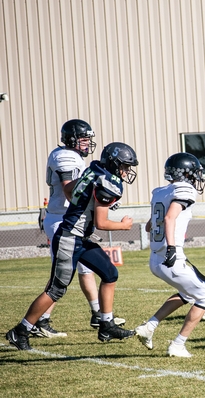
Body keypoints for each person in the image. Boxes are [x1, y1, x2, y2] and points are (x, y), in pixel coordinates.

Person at [5, 142, 139, 350]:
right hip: (70, 238)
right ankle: (20, 330)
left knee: (110, 274)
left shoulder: (94, 170)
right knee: (56, 290)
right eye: (124, 166)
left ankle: (106, 324)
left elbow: (70, 191)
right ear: (114, 164)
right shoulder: (108, 182)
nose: (126, 171)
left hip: (80, 238)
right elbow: (101, 223)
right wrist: (123, 225)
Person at [35, 119, 126, 339]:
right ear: (71, 140)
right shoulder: (64, 156)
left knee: (88, 270)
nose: (87, 144)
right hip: (62, 219)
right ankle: (37, 321)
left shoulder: (73, 156)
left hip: (72, 218)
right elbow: (69, 191)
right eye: (84, 139)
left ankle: (99, 314)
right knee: (62, 276)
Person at [134, 153, 205, 358]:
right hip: (170, 256)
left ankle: (149, 327)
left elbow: (150, 226)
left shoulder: (160, 191)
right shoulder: (185, 189)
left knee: (187, 294)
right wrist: (171, 248)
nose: (197, 177)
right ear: (185, 173)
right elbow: (169, 218)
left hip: (155, 258)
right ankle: (178, 345)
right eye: (194, 172)